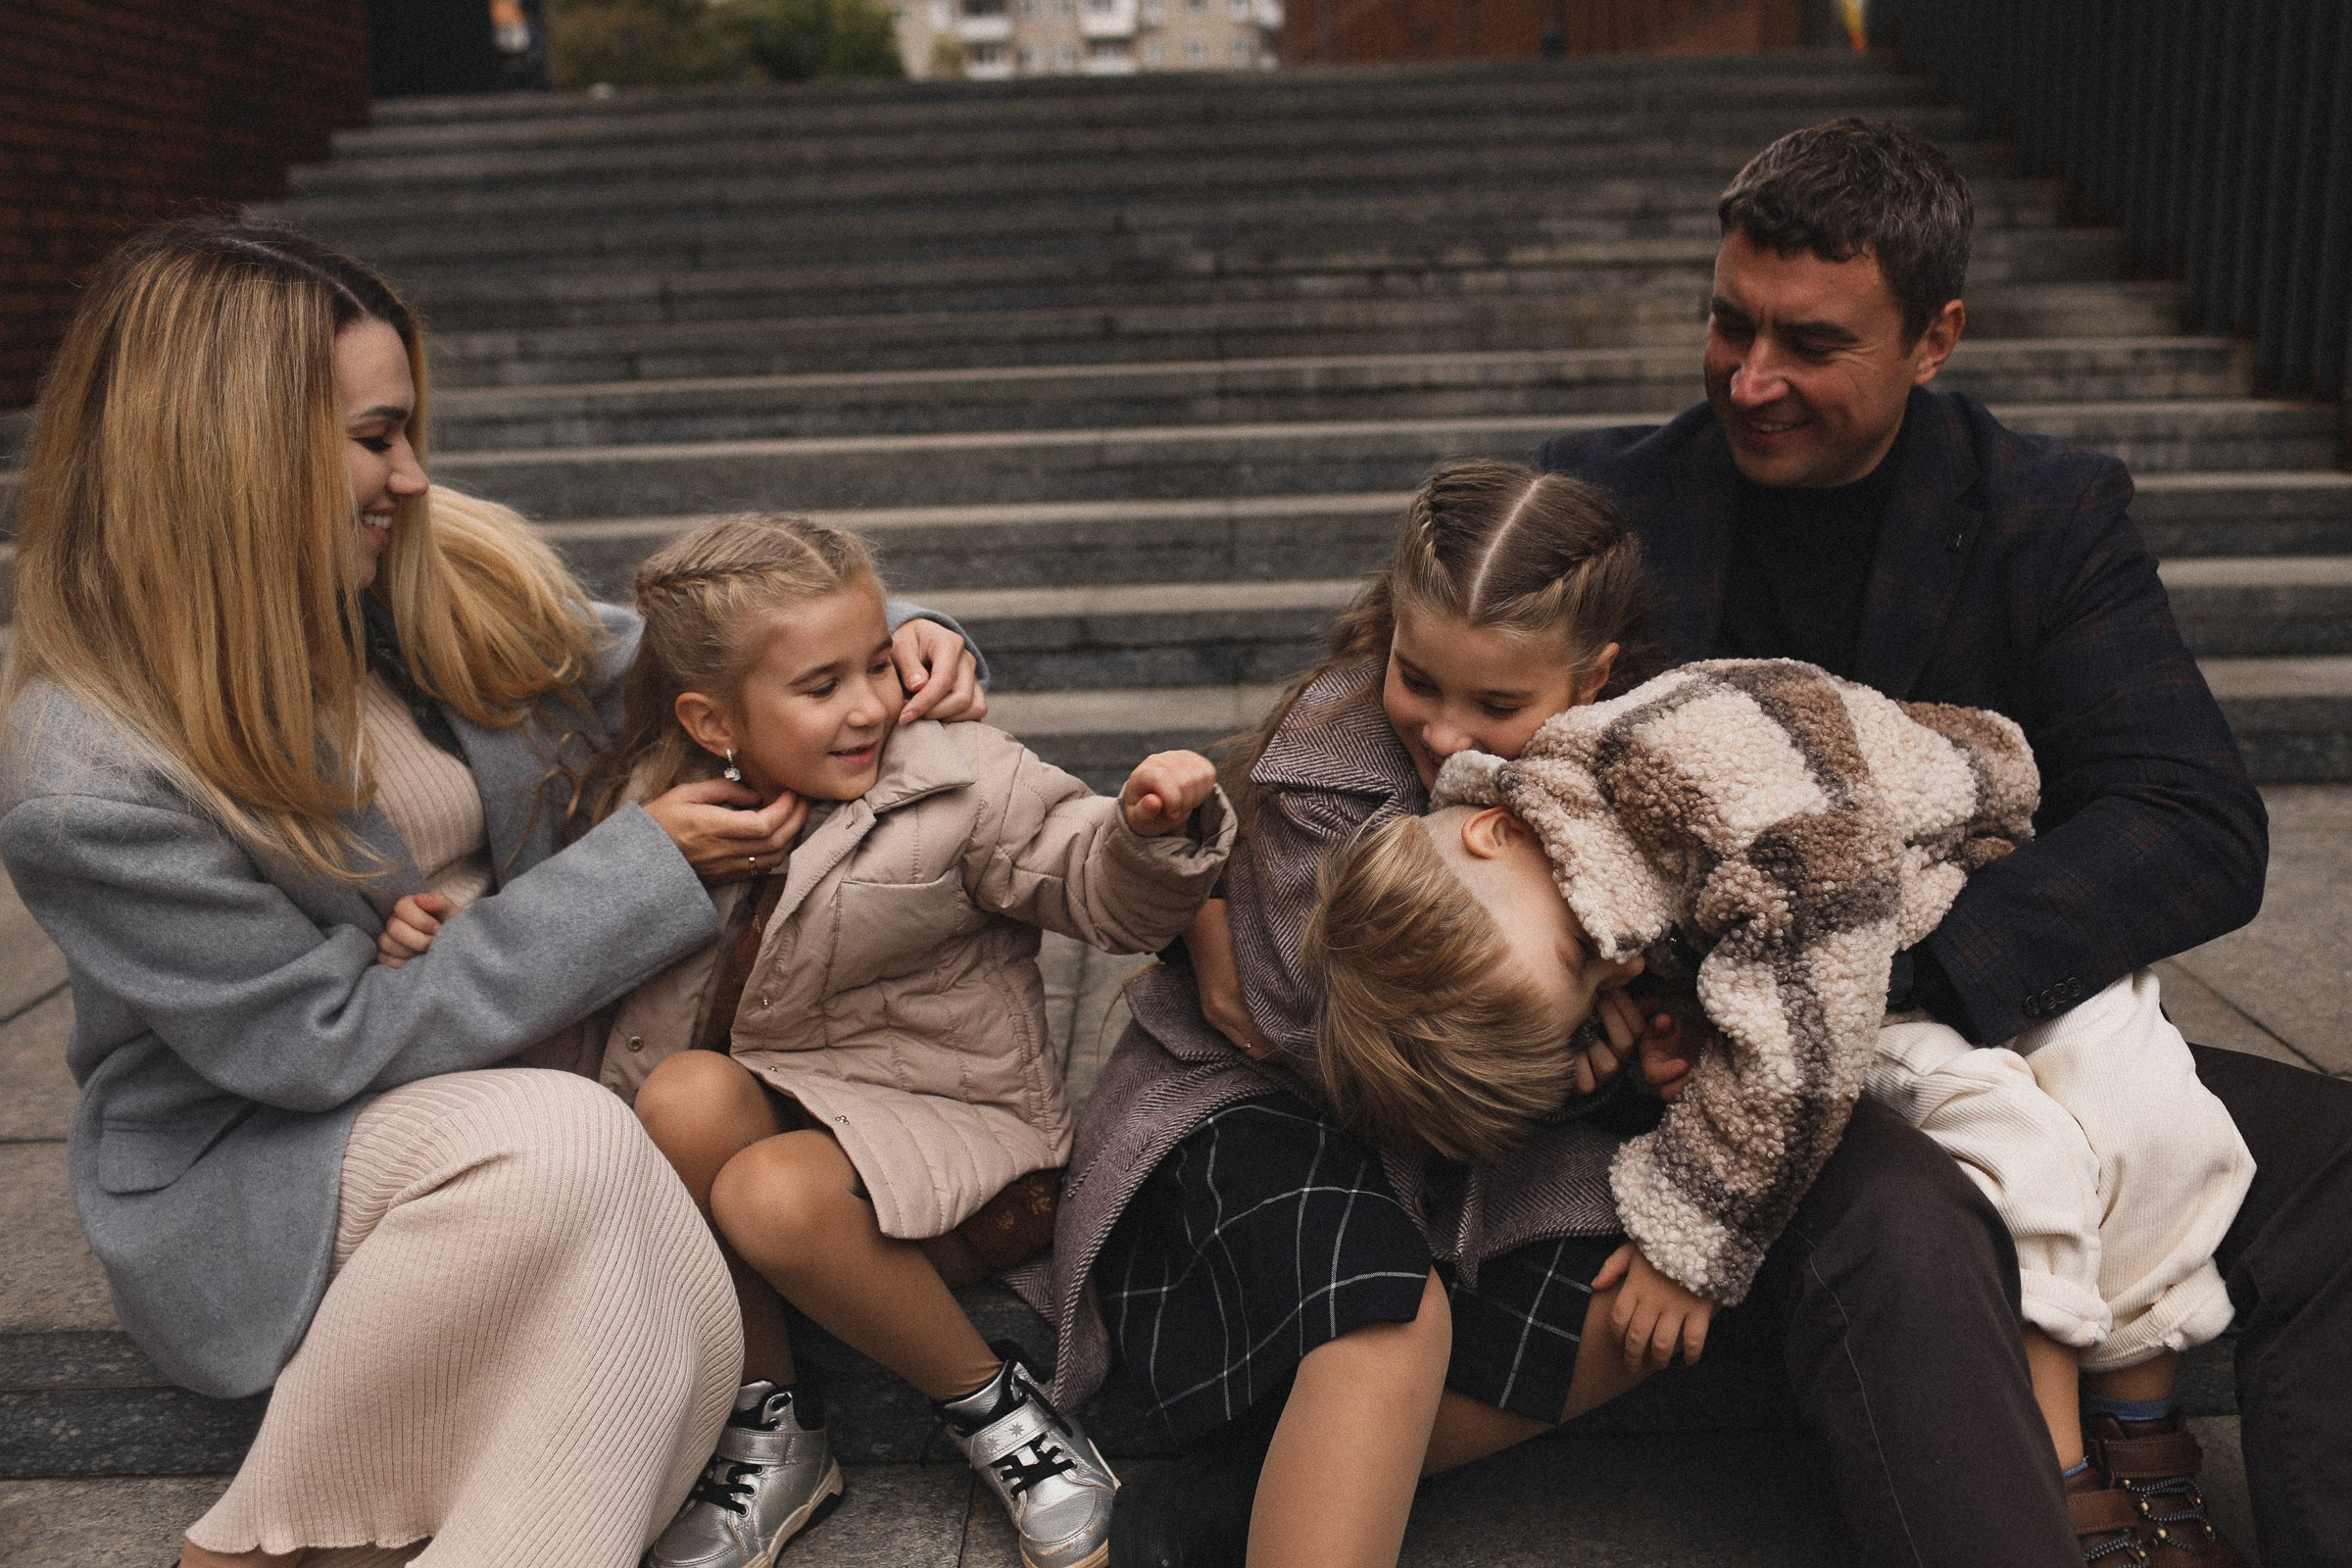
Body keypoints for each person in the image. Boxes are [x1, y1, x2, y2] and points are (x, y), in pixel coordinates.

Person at [0, 220, 983, 1568]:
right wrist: (640, 872)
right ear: (231, 450)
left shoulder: (430, 579)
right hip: (273, 1156)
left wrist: (899, 643)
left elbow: (691, 661)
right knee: (580, 1150)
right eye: (374, 435)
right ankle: (263, 1539)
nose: (410, 474)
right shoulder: (88, 777)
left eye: (405, 431)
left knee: (684, 1313)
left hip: (542, 1082)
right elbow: (317, 1046)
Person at [1538, 117, 2352, 1566]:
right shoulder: (1605, 507)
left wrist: (1884, 966)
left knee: (2336, 1158)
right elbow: (1422, 729)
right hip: (1721, 1070)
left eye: (1810, 342)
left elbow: (2193, 818)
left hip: (1974, 1006)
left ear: (1937, 339)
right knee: (1922, 1224)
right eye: (1729, 323)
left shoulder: (2045, 514)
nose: (1751, 377)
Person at [1310, 658, 2257, 1554]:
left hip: (1940, 896)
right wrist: (1666, 1037)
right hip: (1887, 964)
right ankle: (2069, 1484)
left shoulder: (1681, 774)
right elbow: (1709, 950)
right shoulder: (1570, 853)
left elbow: (1807, 1019)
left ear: (1495, 830)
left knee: (2152, 1107)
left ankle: (2144, 1436)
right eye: (1596, 983)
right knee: (2017, 1145)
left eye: (1581, 956)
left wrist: (1695, 1232)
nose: (1620, 966)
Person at [1047, 459, 1809, 1568]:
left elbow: (1677, 953)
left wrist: (1646, 1046)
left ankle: (1246, 1502)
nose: (1449, 732)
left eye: (1499, 703)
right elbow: (1336, 1040)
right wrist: (1569, 1060)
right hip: (1255, 1104)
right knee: (1392, 1316)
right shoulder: (1331, 771)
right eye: (1418, 679)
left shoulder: (1633, 774)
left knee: (1671, 1282)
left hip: (1482, 1146)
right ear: (1389, 635)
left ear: (1594, 678)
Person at [529, 514, 1229, 1568]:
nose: (869, 706)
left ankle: (1002, 1411)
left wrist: (1146, 832)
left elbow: (1087, 879)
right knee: (677, 1097)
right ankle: (772, 1427)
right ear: (710, 717)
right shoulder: (656, 815)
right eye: (821, 687)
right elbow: (597, 1000)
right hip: (776, 1134)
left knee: (769, 1194)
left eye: (876, 662)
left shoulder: (954, 779)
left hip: (958, 1153)